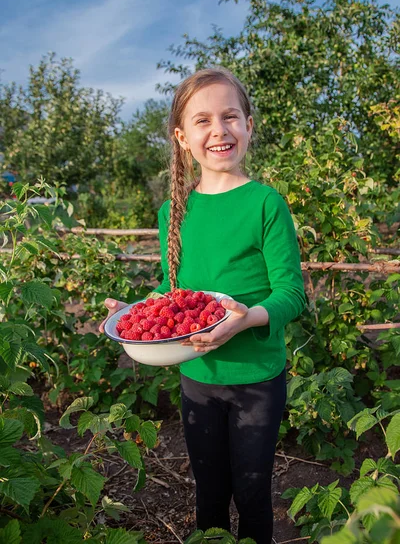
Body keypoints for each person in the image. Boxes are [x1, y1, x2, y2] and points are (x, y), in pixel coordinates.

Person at [99, 68, 306, 543]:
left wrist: (244, 320)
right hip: (196, 376)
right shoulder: (174, 211)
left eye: (230, 116)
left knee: (253, 491)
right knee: (208, 492)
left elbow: (291, 294)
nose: (219, 130)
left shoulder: (265, 204)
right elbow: (179, 298)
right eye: (203, 120)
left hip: (256, 377)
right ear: (182, 137)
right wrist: (135, 309)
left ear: (249, 125)